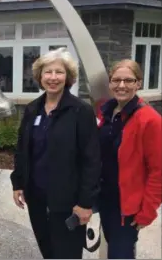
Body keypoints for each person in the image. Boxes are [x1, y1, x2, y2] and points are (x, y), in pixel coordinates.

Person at [10, 47, 101, 259]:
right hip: (37, 197)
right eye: (48, 72)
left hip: (69, 203)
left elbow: (92, 160)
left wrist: (85, 203)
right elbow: (23, 149)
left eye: (59, 72)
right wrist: (18, 183)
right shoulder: (33, 109)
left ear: (68, 77)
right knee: (48, 250)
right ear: (39, 76)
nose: (53, 78)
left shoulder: (80, 111)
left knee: (67, 253)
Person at [96, 59, 162, 259]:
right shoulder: (106, 112)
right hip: (105, 199)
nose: (121, 85)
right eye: (116, 80)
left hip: (127, 210)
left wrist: (147, 212)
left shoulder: (150, 120)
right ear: (110, 83)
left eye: (128, 80)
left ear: (138, 84)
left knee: (120, 255)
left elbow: (158, 171)